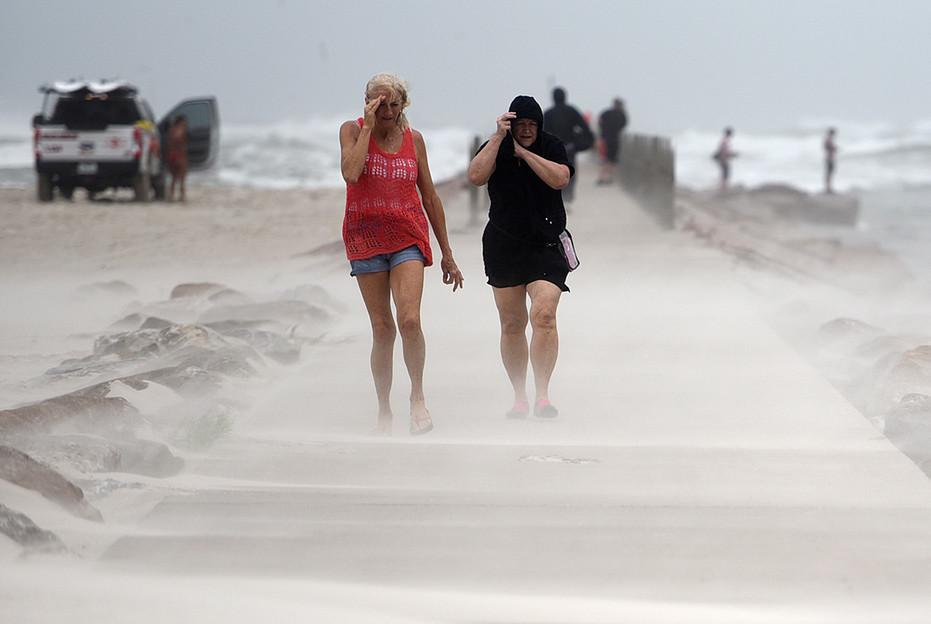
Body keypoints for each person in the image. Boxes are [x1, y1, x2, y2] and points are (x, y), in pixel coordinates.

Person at [339, 73, 464, 436]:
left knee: (409, 320)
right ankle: (383, 411)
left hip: (408, 236)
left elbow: (430, 197)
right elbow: (351, 173)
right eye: (381, 104)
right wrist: (366, 128)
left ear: (403, 104)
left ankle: (418, 399)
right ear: (368, 102)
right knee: (382, 329)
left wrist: (447, 254)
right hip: (364, 238)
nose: (388, 111)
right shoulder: (351, 130)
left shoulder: (415, 140)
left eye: (394, 104)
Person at [468, 95, 573, 420]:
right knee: (512, 324)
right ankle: (519, 396)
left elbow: (560, 178)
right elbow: (476, 176)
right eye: (521, 125)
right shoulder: (494, 145)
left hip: (546, 245)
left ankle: (543, 395)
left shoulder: (551, 146)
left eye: (532, 125)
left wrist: (525, 153)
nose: (526, 130)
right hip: (505, 245)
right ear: (510, 124)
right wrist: (500, 137)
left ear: (539, 126)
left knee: (544, 316)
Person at [543, 87, 593, 204]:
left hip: (553, 148)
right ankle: (568, 197)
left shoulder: (549, 113)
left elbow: (543, 132)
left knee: (553, 172)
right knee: (570, 172)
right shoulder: (572, 111)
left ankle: (558, 197)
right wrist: (579, 142)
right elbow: (585, 128)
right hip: (570, 148)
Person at [596, 97, 628, 185]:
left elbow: (599, 122)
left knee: (604, 159)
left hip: (604, 138)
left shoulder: (606, 113)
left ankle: (601, 178)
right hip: (615, 138)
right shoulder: (622, 114)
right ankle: (609, 178)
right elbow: (624, 125)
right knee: (612, 159)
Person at [165, 115, 188, 202]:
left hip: (171, 155)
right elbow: (178, 138)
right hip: (180, 156)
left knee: (173, 178)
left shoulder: (171, 130)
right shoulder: (180, 130)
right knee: (182, 179)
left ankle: (171, 196)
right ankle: (182, 196)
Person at [713, 127, 737, 192]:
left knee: (724, 174)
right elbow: (725, 152)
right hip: (723, 160)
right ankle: (723, 188)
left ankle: (722, 187)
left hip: (722, 159)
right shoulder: (725, 141)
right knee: (725, 174)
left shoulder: (724, 140)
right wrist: (732, 155)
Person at [823, 127, 837, 194]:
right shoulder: (829, 140)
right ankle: (828, 188)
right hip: (830, 158)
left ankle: (828, 187)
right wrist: (834, 148)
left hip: (828, 158)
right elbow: (830, 147)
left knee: (829, 173)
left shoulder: (827, 139)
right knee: (829, 173)